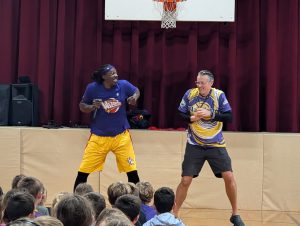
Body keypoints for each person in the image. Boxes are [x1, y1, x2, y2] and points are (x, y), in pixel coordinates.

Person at [173, 70, 245, 226]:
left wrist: (210, 114)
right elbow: (180, 113)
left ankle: (235, 214)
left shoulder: (219, 95)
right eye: (197, 82)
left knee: (229, 177)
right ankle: (174, 214)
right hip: (194, 144)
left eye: (202, 83)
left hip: (216, 144)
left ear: (211, 83)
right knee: (185, 180)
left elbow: (229, 117)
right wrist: (191, 118)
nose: (199, 86)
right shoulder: (190, 94)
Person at [74, 64, 141, 191]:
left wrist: (134, 98)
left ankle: (138, 205)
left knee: (132, 172)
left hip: (121, 137)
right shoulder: (92, 88)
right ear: (104, 77)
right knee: (83, 173)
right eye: (112, 74)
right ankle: (76, 203)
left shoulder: (124, 85)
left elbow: (136, 90)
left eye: (116, 72)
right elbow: (82, 106)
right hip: (99, 138)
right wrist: (92, 106)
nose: (116, 75)